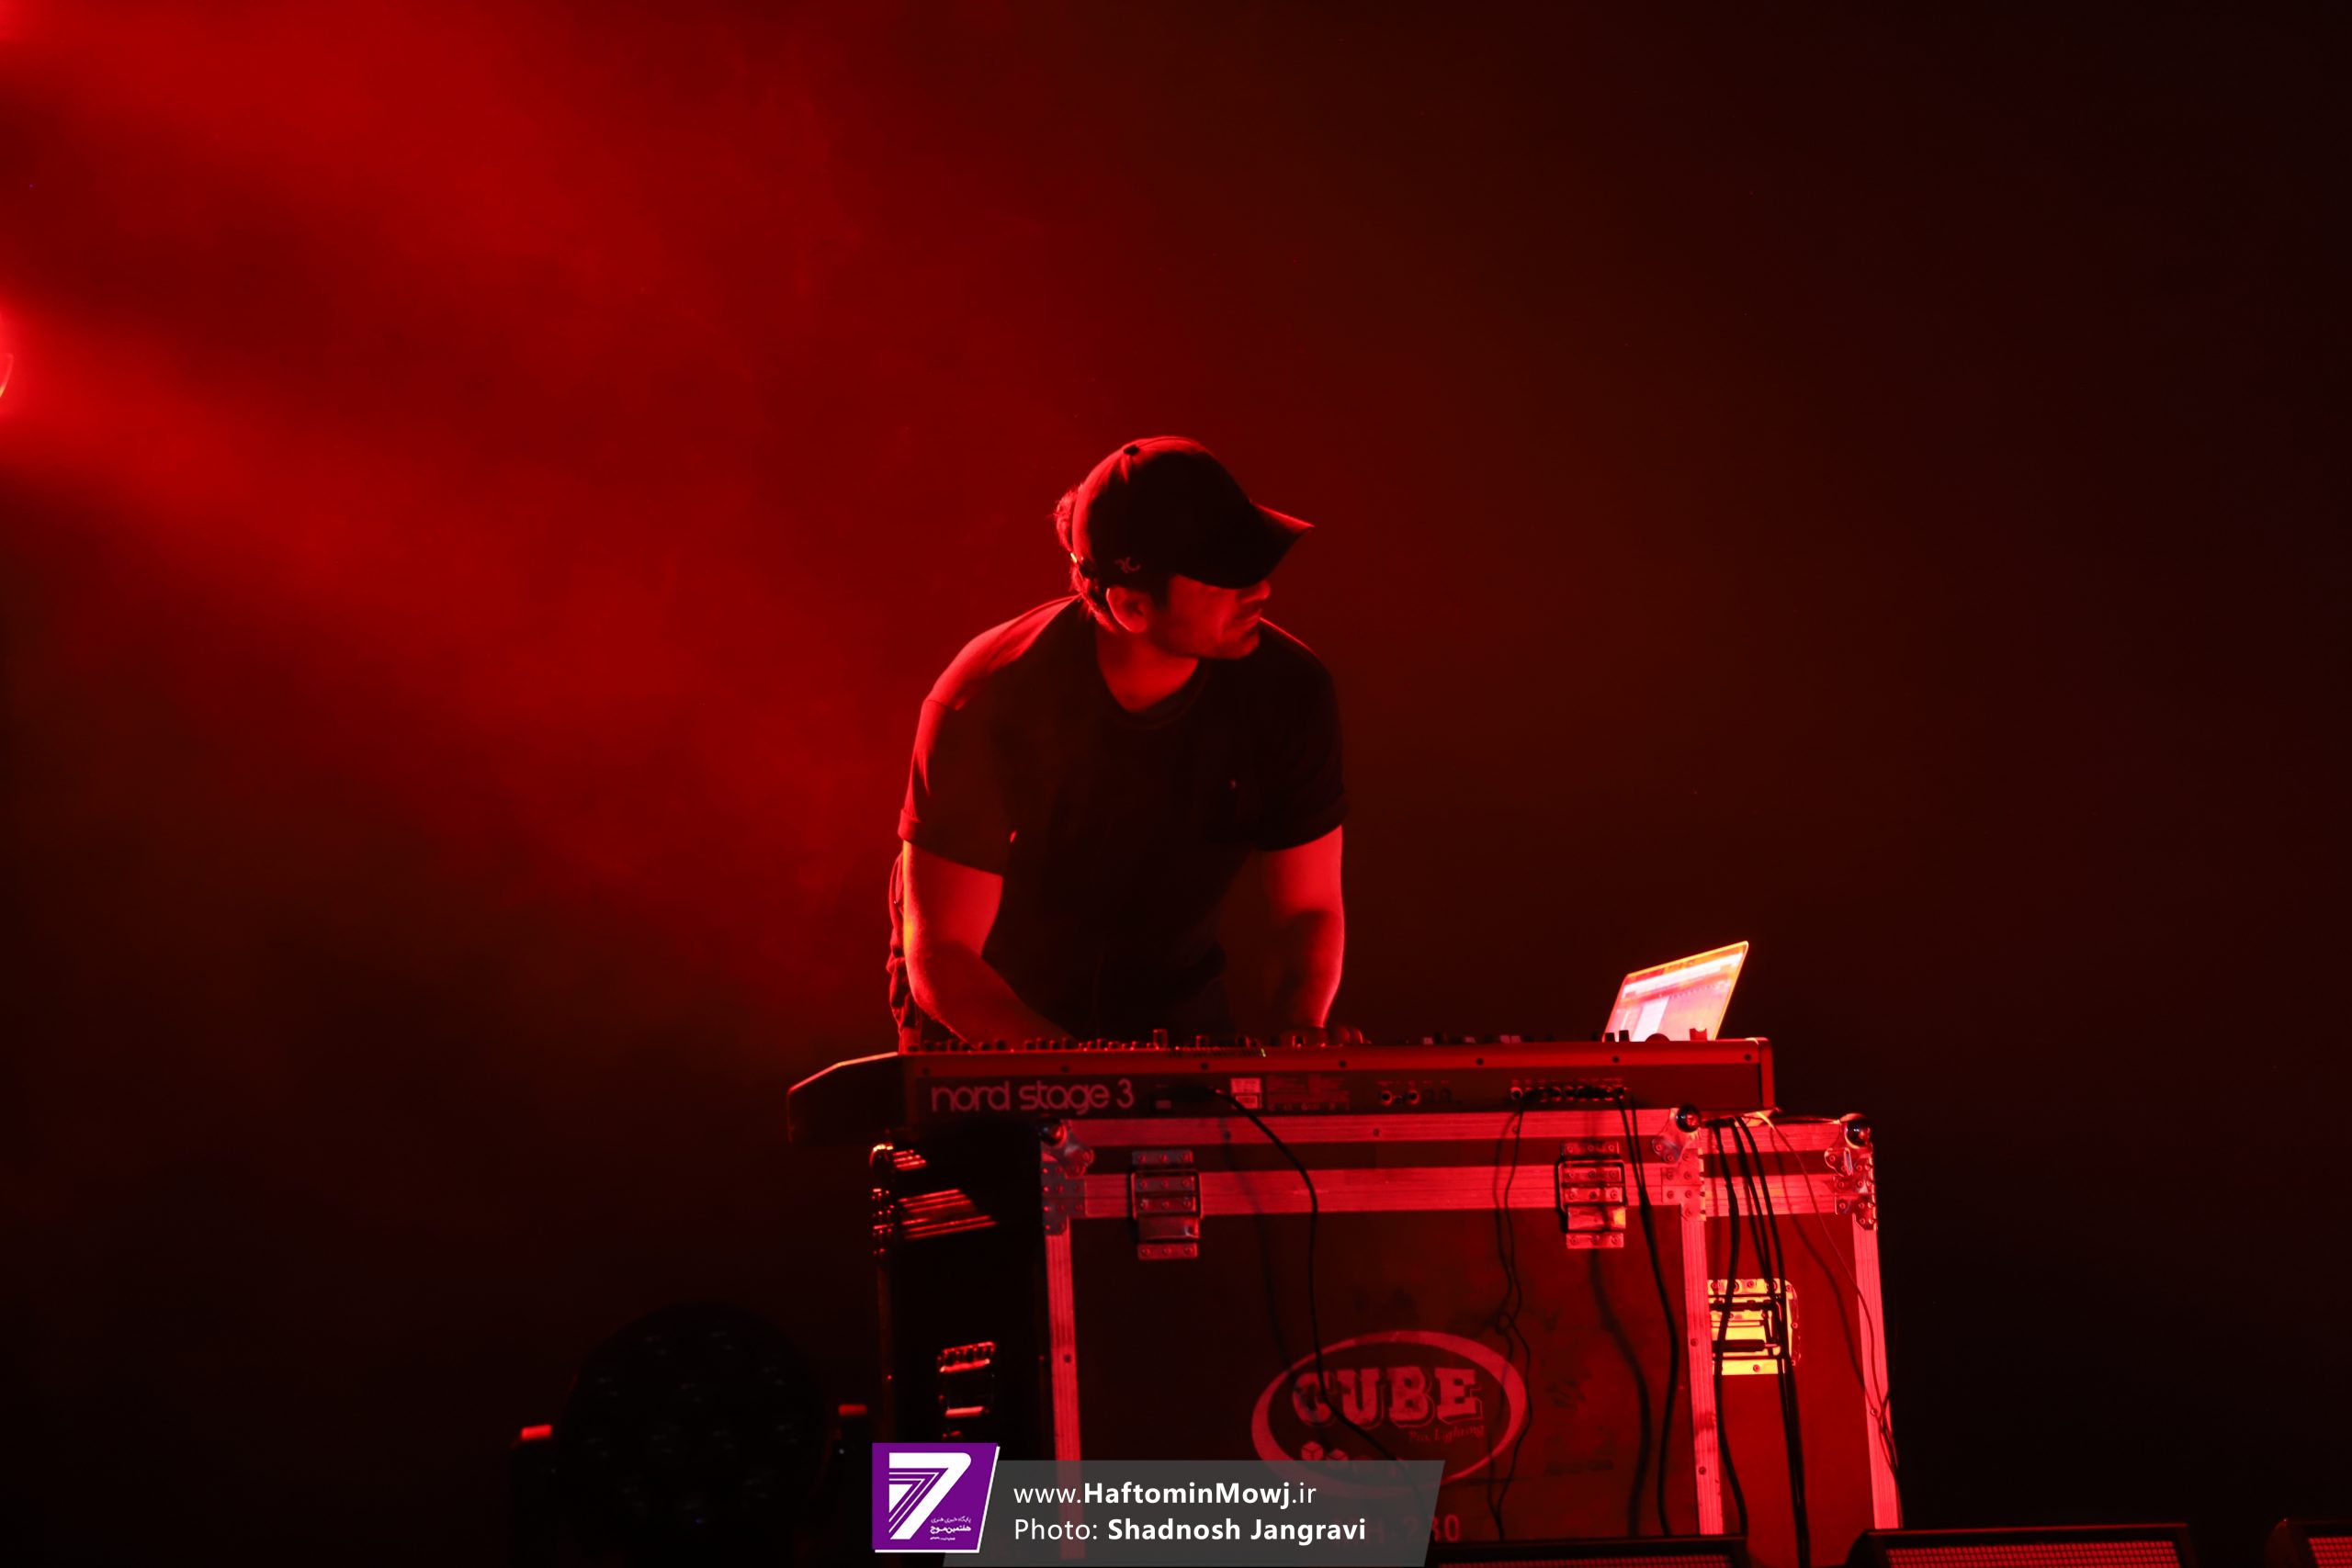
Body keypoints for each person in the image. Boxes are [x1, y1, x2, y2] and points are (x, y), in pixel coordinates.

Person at [888, 436, 1348, 1048]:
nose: (1260, 590)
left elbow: (1308, 909)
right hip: (988, 1030)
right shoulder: (987, 697)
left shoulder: (1290, 692)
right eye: (1224, 577)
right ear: (1131, 605)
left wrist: (1301, 1035)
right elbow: (945, 955)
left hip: (1178, 1024)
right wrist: (1081, 1079)